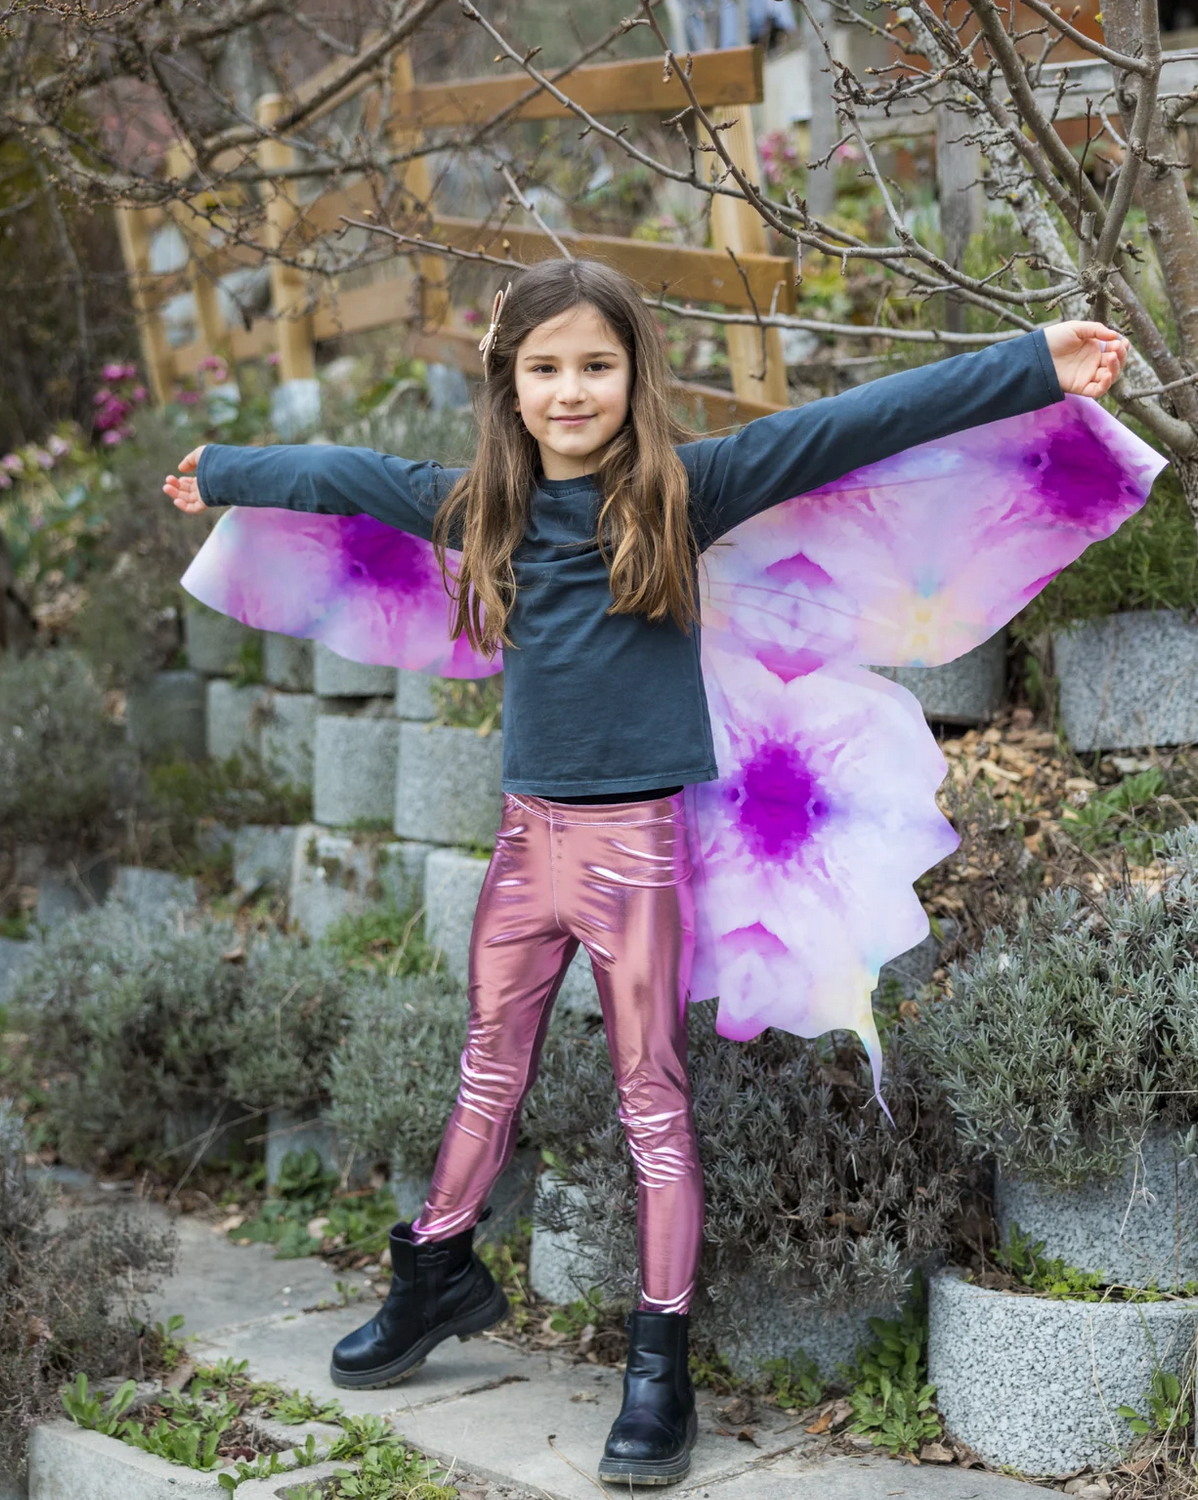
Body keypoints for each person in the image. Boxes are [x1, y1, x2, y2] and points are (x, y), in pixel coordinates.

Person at [165, 257, 1129, 1486]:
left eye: (595, 366)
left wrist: (1034, 361)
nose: (571, 392)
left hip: (634, 856)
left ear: (633, 375)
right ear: (508, 385)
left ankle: (657, 1366)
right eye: (546, 368)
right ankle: (437, 1270)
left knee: (651, 1105)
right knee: (483, 1072)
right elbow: (335, 474)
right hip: (524, 847)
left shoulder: (687, 490)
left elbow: (858, 421)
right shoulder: (475, 509)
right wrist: (224, 473)